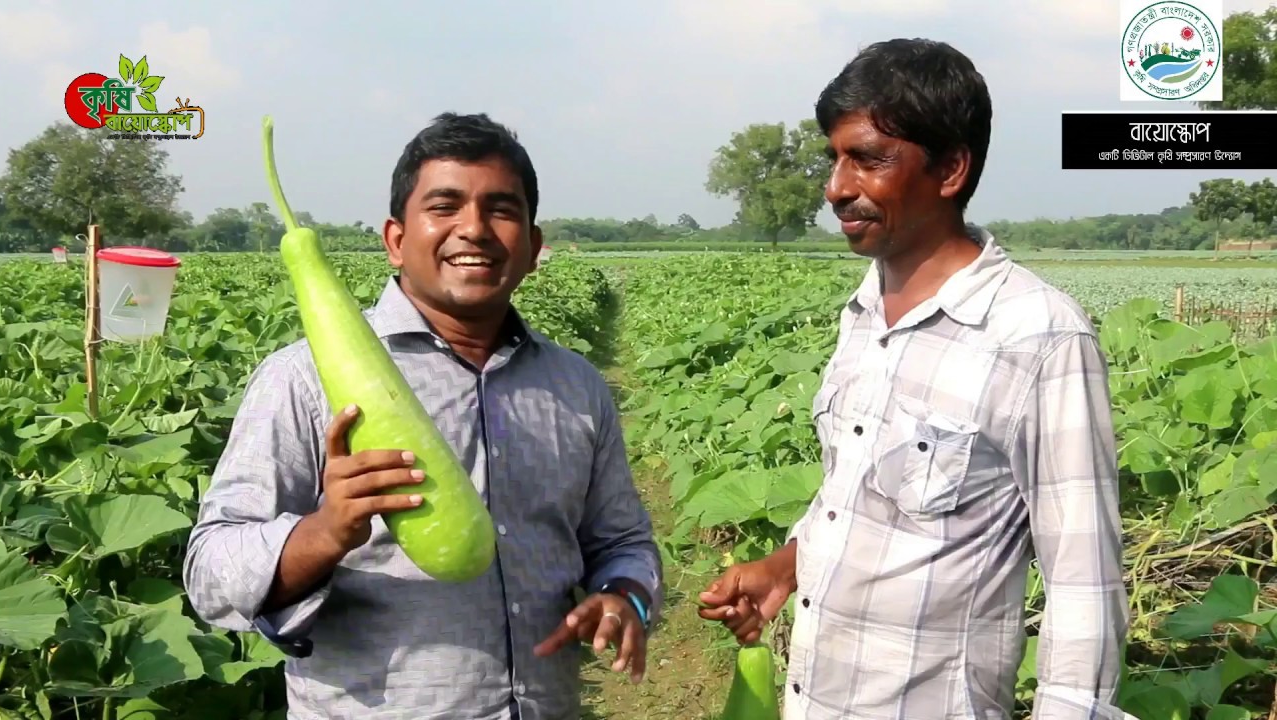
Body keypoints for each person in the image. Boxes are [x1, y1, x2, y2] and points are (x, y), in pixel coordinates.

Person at [697, 39, 1129, 720]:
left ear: (951, 168)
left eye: (868, 159)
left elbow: (1085, 584)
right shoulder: (863, 313)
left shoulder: (1037, 334)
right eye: (834, 159)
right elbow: (859, 499)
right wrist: (786, 565)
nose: (836, 187)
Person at [183, 112, 662, 720]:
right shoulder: (300, 378)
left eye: (501, 209)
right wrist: (323, 532)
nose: (474, 229)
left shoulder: (577, 385)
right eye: (444, 206)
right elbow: (209, 574)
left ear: (535, 247)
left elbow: (623, 541)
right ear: (395, 239)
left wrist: (625, 596)